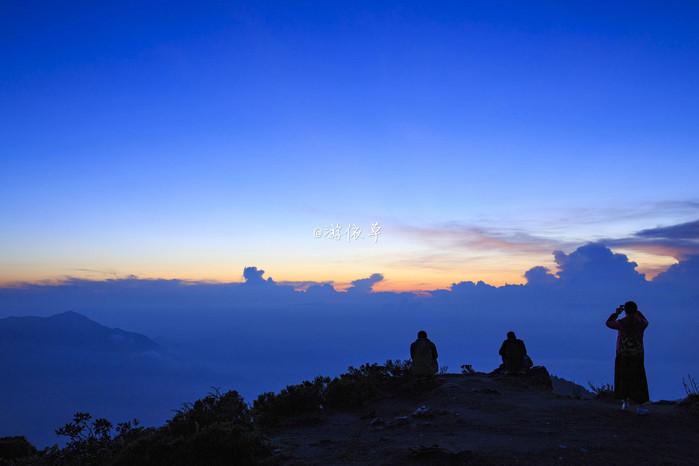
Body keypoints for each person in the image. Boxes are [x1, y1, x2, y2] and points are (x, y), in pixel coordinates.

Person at [606, 301, 649, 414]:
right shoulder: (640, 323)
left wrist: (617, 313)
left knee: (623, 378)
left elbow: (609, 323)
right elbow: (646, 322)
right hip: (637, 354)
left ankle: (625, 402)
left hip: (623, 353)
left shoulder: (621, 322)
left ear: (625, 311)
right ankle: (640, 405)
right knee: (638, 380)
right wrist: (638, 312)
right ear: (635, 310)